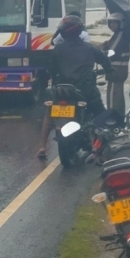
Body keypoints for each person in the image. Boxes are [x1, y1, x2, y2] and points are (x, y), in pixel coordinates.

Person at [37, 15, 113, 161]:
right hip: (85, 91)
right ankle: (99, 149)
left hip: (61, 91)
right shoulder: (90, 48)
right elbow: (105, 62)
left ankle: (42, 147)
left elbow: (51, 69)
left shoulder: (58, 49)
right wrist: (110, 69)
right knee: (101, 116)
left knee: (49, 114)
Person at [100, 13, 130, 119]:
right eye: (111, 23)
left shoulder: (120, 35)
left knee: (113, 97)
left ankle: (112, 119)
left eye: (115, 23)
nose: (112, 25)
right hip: (118, 71)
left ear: (121, 24)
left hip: (116, 71)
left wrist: (100, 51)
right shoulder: (117, 35)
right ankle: (119, 117)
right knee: (118, 96)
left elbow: (111, 52)